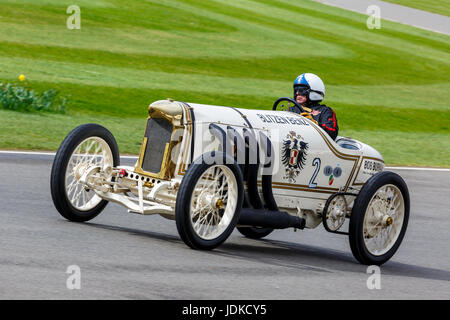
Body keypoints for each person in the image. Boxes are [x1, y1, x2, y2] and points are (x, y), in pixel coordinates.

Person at [292, 73, 339, 140]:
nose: (297, 93)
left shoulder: (325, 111)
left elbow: (332, 133)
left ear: (314, 91)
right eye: (296, 90)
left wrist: (313, 124)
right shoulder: (290, 110)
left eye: (301, 90)